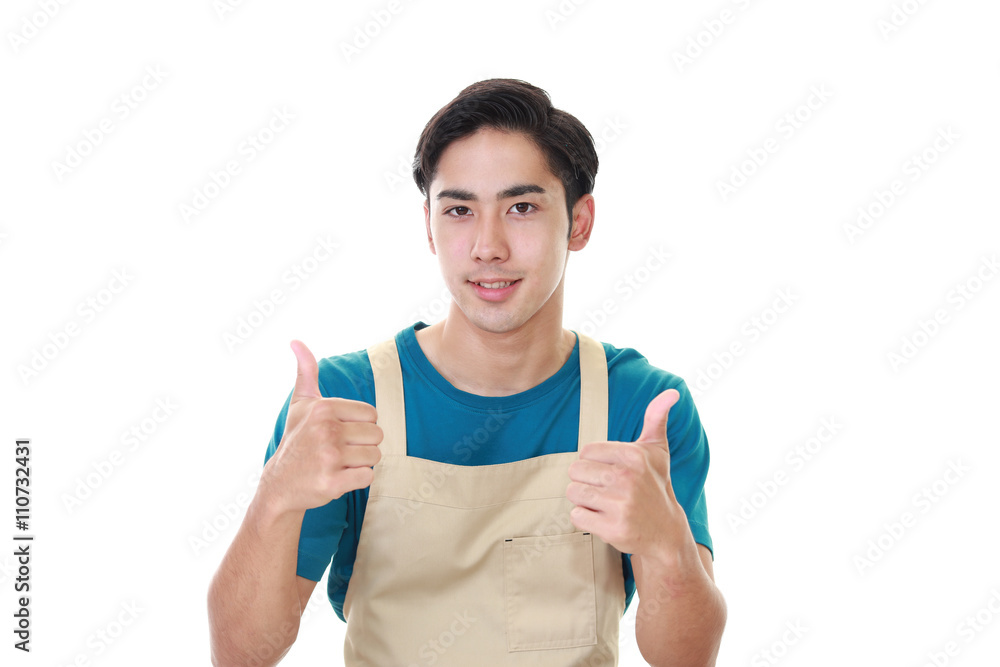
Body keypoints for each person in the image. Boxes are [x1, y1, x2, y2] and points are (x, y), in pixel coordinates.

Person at [208, 78, 726, 666]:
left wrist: (666, 548)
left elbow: (687, 659)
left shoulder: (642, 409)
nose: (488, 246)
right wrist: (275, 497)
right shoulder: (342, 403)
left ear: (579, 222)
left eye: (521, 207)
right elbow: (240, 655)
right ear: (429, 226)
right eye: (459, 210)